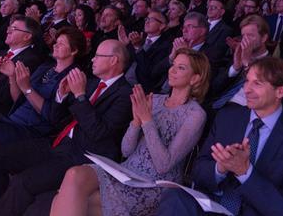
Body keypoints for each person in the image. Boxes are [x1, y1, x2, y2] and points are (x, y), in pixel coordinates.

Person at [0, 39, 132, 216]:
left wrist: (80, 96)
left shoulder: (125, 94)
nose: (93, 59)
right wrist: (60, 96)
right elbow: (58, 120)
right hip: (57, 143)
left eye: (98, 56)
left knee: (23, 182)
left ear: (113, 60)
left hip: (83, 155)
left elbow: (98, 132)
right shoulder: (92, 83)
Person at [51, 48, 209, 216]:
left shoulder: (196, 115)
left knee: (64, 199)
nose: (172, 70)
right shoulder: (154, 99)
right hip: (125, 171)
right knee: (74, 174)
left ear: (195, 78)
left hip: (154, 185)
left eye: (181, 67)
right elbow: (126, 150)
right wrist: (136, 121)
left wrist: (147, 120)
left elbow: (164, 165)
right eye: (173, 65)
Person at [0, 27, 86, 216]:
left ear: (74, 51)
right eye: (56, 41)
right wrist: (12, 77)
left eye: (61, 43)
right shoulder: (46, 67)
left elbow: (51, 116)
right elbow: (17, 99)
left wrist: (27, 88)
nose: (55, 45)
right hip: (11, 118)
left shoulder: (74, 77)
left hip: (31, 128)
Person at [157, 57, 283, 216]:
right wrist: (220, 168)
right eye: (247, 81)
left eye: (257, 83)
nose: (247, 89)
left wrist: (245, 172)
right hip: (212, 206)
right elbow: (198, 171)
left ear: (280, 91)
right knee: (174, 197)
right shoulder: (227, 117)